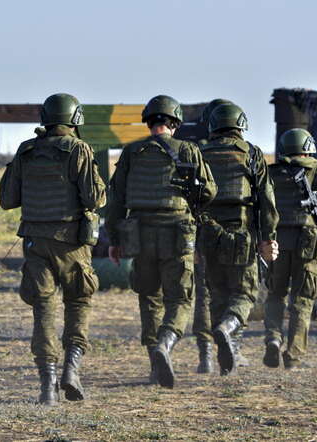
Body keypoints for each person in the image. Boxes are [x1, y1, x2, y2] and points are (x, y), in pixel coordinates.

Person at [0, 93, 106, 406]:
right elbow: (94, 198)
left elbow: (7, 200)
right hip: (71, 243)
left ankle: (48, 384)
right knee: (78, 301)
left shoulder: (26, 150)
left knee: (43, 308)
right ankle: (71, 369)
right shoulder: (79, 149)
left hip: (35, 242)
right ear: (76, 118)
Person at [106, 95, 217, 388]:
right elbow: (209, 192)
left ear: (149, 121)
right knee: (179, 297)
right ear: (175, 123)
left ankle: (155, 366)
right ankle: (165, 344)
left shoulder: (131, 152)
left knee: (149, 297)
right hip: (177, 232)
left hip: (139, 232)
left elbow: (115, 199)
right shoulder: (189, 150)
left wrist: (114, 239)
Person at [198, 102, 279, 375]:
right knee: (244, 293)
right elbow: (266, 201)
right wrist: (268, 238)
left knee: (218, 295)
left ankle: (229, 353)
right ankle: (227, 329)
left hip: (208, 236)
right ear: (240, 125)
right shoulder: (252, 154)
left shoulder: (201, 154)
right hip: (242, 236)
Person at [264, 128, 317, 369]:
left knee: (275, 293)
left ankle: (273, 339)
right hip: (309, 244)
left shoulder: (271, 174)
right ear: (308, 147)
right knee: (303, 299)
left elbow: (263, 208)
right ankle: (294, 354)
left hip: (277, 241)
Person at [179, 98, 231, 374]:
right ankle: (228, 346)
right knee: (232, 290)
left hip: (200, 228)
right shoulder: (242, 151)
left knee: (203, 293)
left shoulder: (191, 149)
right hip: (235, 230)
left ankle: (206, 355)